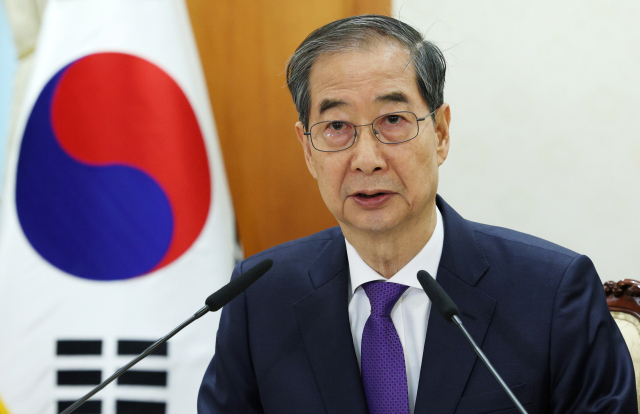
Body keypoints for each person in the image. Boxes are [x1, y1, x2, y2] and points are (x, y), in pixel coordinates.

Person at [197, 15, 636, 414]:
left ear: (440, 133)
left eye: (393, 120)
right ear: (308, 150)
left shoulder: (552, 292)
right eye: (336, 127)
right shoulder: (259, 297)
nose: (366, 160)